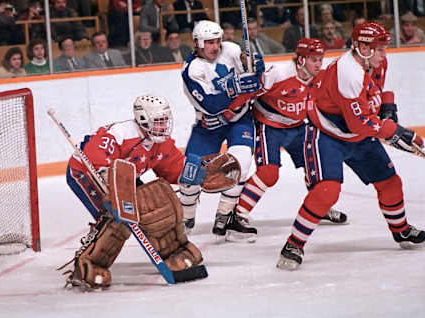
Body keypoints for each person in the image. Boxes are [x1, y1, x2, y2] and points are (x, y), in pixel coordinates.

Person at [276, 22, 425, 270]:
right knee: (327, 190)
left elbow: (377, 90)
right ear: (362, 47)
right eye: (378, 49)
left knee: (390, 182)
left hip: (356, 133)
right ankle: (294, 243)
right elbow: (359, 123)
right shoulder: (349, 72)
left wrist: (388, 106)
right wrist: (394, 131)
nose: (383, 54)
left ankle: (401, 231)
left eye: (383, 48)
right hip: (327, 133)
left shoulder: (376, 61)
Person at [63, 94, 229, 289]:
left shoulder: (160, 141)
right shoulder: (120, 134)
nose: (163, 126)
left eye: (165, 121)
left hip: (123, 176)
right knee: (116, 218)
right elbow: (96, 160)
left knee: (158, 202)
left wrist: (200, 175)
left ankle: (174, 252)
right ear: (143, 119)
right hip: (86, 173)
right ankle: (87, 266)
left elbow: (174, 168)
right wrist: (116, 192)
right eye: (158, 121)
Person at [234, 38, 348, 237]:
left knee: (318, 165)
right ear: (301, 60)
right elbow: (250, 92)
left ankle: (320, 207)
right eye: (314, 59)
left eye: (320, 59)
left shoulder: (319, 78)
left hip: (297, 127)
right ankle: (238, 215)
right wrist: (251, 77)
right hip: (269, 126)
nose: (318, 64)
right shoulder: (279, 73)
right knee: (269, 173)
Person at [179, 20, 263, 241]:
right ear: (197, 43)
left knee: (242, 163)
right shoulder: (191, 70)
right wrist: (236, 87)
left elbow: (254, 76)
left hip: (239, 119)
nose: (215, 47)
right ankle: (185, 220)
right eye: (209, 43)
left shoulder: (233, 50)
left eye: (217, 41)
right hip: (210, 124)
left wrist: (255, 66)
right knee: (190, 174)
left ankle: (226, 218)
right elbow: (212, 105)